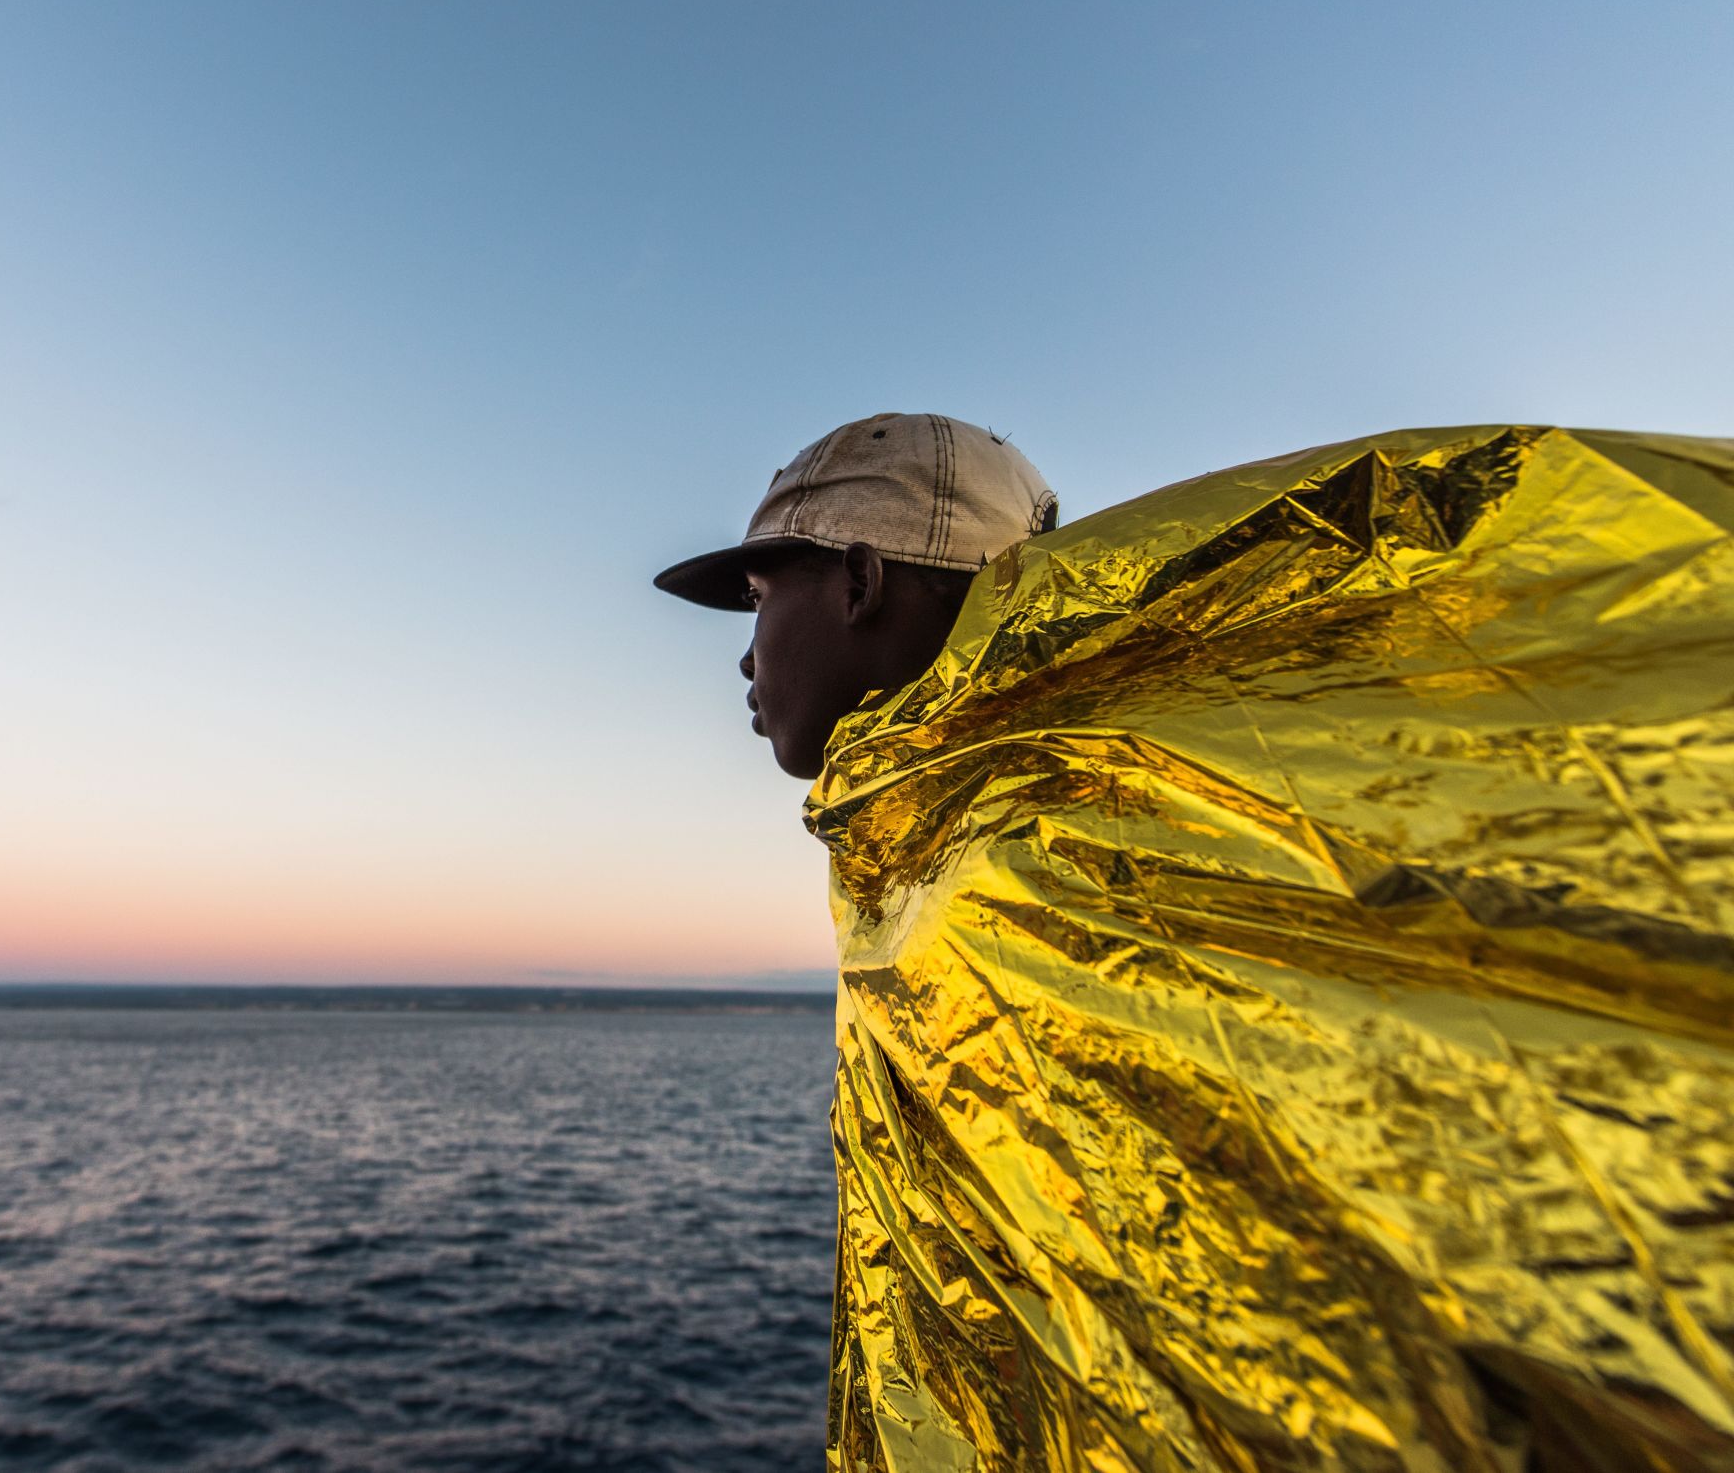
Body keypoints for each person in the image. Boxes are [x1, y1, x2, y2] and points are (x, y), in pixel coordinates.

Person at [656, 414, 1734, 1473]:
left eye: (758, 599)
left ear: (858, 582)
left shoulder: (1037, 854)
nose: (747, 658)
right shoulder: (996, 822)